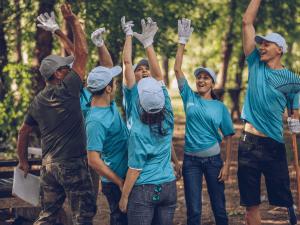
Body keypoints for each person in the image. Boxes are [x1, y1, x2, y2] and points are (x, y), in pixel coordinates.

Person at [17, 4, 97, 224]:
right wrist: (72, 22)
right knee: (83, 216)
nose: (70, 69)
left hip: (49, 167)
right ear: (57, 74)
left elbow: (23, 133)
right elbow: (81, 53)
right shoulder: (68, 89)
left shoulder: (38, 101)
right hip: (73, 165)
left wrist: (23, 161)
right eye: (65, 67)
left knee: (47, 216)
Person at [239, 0, 300, 224]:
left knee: (285, 202)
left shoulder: (293, 81)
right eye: (260, 43)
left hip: (275, 146)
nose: (261, 47)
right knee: (250, 207)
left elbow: (296, 112)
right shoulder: (255, 63)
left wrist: (296, 123)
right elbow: (247, 22)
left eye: (267, 43)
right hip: (249, 144)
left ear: (280, 49)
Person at [174, 18, 235, 225]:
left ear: (212, 83)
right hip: (190, 162)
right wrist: (182, 41)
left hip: (214, 162)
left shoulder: (220, 107)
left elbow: (228, 137)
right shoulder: (188, 96)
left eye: (205, 78)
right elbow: (177, 70)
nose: (201, 80)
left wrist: (227, 165)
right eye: (199, 77)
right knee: (194, 211)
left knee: (219, 208)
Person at [119, 18, 177, 225]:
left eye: (147, 69)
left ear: (142, 104)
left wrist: (128, 33)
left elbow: (135, 168)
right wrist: (147, 43)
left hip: (143, 184)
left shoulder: (138, 131)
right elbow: (129, 65)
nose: (144, 71)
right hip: (168, 183)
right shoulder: (168, 113)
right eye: (139, 69)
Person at [84, 43, 128, 224]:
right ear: (108, 88)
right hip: (116, 180)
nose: (117, 83)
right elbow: (93, 160)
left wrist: (100, 44)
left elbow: (107, 67)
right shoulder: (95, 121)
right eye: (114, 82)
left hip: (127, 173)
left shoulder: (106, 100)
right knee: (119, 219)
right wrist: (119, 181)